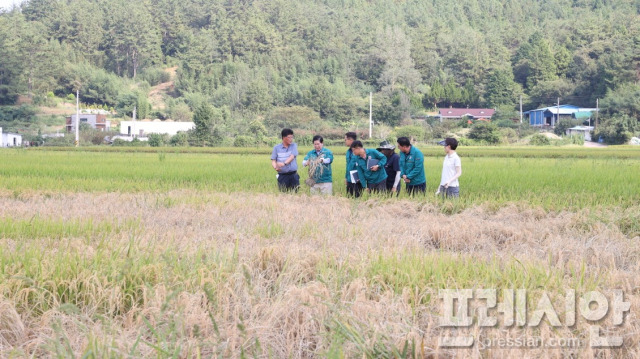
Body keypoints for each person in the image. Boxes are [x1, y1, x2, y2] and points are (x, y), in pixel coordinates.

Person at [344, 132, 363, 197]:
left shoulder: (360, 151)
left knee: (357, 198)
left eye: (345, 139)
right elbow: (348, 166)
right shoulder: (348, 151)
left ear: (350, 140)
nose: (345, 141)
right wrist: (346, 177)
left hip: (357, 179)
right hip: (349, 179)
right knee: (349, 198)